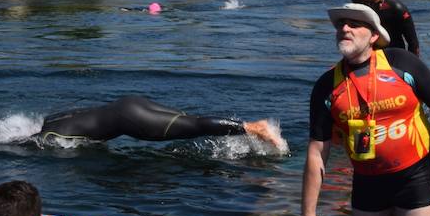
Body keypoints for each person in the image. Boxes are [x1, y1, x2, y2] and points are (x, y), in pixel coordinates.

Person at [295, 3, 430, 216]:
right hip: (368, 181)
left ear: (374, 35)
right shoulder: (326, 86)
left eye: (354, 24)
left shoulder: (402, 63)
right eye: (341, 25)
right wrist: (308, 215)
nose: (344, 29)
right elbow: (317, 152)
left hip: (413, 174)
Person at [34, 95, 278, 145]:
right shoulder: (52, 121)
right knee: (191, 122)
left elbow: (29, 142)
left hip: (130, 118)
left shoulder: (49, 136)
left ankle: (253, 128)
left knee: (193, 127)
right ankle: (246, 133)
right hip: (131, 103)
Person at [353, 0, 421, 55]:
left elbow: (413, 43)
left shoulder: (398, 8)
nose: (378, 5)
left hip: (394, 52)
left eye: (378, 1)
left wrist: (412, 64)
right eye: (370, 1)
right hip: (372, 50)